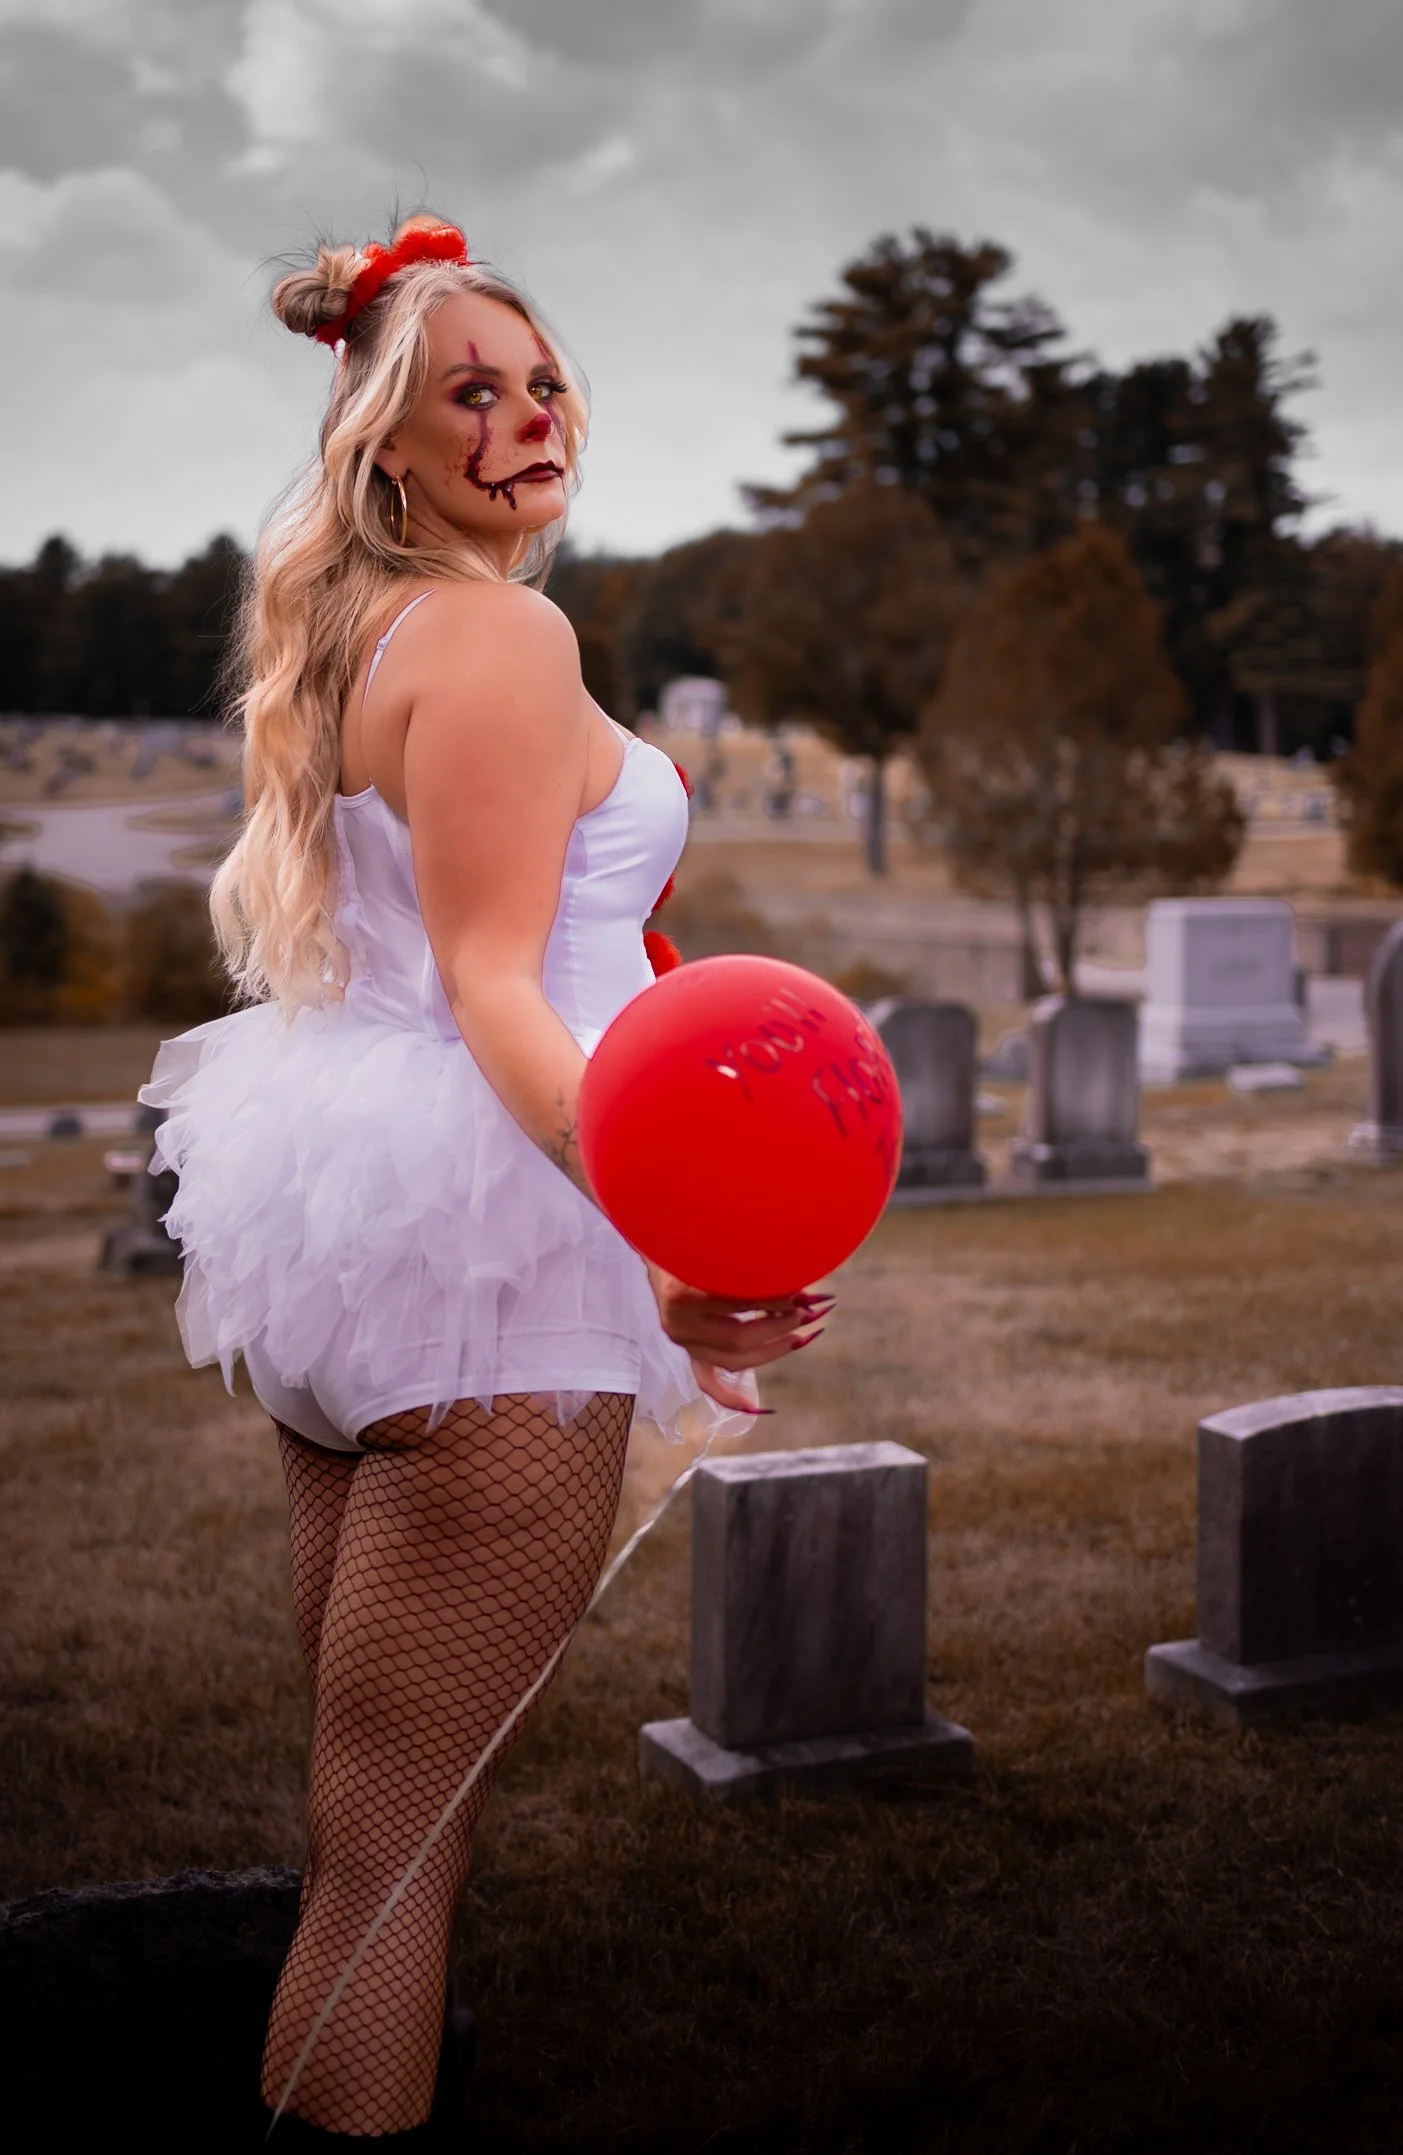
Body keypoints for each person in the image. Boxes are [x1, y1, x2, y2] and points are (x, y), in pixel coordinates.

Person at [140, 215, 829, 2147]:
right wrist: (667, 1237)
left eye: (540, 382)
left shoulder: (368, 632)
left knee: (365, 1834)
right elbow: (501, 991)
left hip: (353, 1253)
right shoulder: (507, 636)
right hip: (491, 1267)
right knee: (392, 1866)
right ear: (389, 448)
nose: (527, 417)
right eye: (472, 392)